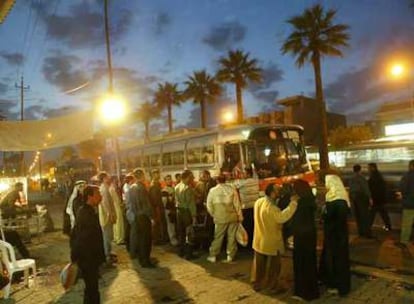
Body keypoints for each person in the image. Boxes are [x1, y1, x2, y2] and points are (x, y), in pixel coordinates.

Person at [251, 183, 298, 293]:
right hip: (271, 240)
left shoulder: (259, 201)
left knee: (259, 265)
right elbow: (282, 218)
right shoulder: (272, 208)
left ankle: (257, 283)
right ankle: (271, 286)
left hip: (259, 239)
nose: (280, 191)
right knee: (274, 266)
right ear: (272, 192)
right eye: (277, 190)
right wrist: (293, 203)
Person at [70, 185, 106, 304]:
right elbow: (82, 239)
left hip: (89, 259)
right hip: (88, 259)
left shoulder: (88, 211)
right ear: (90, 197)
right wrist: (85, 260)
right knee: (92, 289)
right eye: (98, 194)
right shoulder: (85, 213)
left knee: (91, 289)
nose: (101, 196)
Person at [319, 172, 351, 297]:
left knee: (335, 262)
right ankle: (342, 286)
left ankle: (336, 286)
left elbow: (327, 218)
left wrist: (323, 212)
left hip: (333, 237)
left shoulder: (333, 201)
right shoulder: (343, 199)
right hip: (341, 236)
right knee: (342, 261)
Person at [290, 179, 319, 301]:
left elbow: (294, 220)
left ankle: (302, 292)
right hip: (311, 234)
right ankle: (313, 292)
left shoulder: (299, 202)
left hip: (301, 235)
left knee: (301, 263)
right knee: (310, 263)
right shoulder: (310, 200)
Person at [206, 174, 242, 263]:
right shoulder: (232, 189)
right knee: (232, 237)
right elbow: (237, 204)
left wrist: (213, 214)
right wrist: (240, 216)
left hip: (220, 217)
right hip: (232, 216)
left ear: (217, 181)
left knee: (218, 237)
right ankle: (230, 256)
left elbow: (209, 205)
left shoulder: (212, 191)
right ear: (225, 180)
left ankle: (213, 255)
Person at [128, 169, 155, 268]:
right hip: (144, 216)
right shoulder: (141, 188)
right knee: (146, 239)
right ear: (142, 176)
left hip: (136, 216)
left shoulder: (131, 188)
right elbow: (146, 204)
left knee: (140, 238)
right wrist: (151, 217)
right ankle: (145, 261)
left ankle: (141, 258)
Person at [175, 170, 197, 260]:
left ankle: (181, 252)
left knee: (181, 233)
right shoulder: (188, 188)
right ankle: (189, 254)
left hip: (179, 212)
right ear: (187, 177)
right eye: (191, 177)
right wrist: (194, 216)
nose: (193, 179)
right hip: (187, 212)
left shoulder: (177, 186)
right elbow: (191, 204)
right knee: (189, 233)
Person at [235, 168, 259, 248]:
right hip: (255, 207)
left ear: (248, 174)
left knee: (247, 227)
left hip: (246, 208)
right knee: (254, 226)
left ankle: (248, 245)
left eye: (244, 173)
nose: (242, 175)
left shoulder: (242, 183)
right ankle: (255, 244)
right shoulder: (256, 181)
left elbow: (234, 185)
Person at [97, 172, 117, 265]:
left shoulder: (104, 188)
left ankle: (108, 253)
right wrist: (110, 214)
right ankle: (107, 256)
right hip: (106, 217)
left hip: (106, 216)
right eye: (107, 176)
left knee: (108, 235)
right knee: (107, 236)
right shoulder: (104, 189)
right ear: (104, 178)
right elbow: (106, 204)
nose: (109, 178)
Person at [349, 164, 372, 238]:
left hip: (354, 197)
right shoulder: (361, 178)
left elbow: (350, 189)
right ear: (360, 169)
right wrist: (370, 197)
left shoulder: (351, 178)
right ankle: (366, 232)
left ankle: (360, 232)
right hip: (361, 197)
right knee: (364, 215)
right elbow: (365, 188)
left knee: (358, 215)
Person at [368, 163, 392, 231]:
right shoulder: (379, 176)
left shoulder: (373, 177)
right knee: (384, 214)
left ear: (373, 168)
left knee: (371, 215)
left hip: (376, 199)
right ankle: (388, 227)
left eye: (369, 168)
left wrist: (370, 197)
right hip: (381, 199)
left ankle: (368, 228)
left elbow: (371, 188)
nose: (368, 169)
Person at [398, 160, 414, 247]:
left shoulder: (407, 176)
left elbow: (402, 188)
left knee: (406, 224)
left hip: (409, 204)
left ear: (411, 166)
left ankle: (404, 241)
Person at [149, 169, 167, 244]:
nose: (159, 175)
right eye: (157, 174)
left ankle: (159, 238)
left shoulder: (157, 184)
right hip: (157, 208)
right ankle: (157, 239)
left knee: (159, 224)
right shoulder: (154, 185)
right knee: (157, 224)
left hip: (158, 207)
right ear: (153, 175)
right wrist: (159, 207)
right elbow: (155, 199)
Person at [162, 175, 178, 246]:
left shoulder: (174, 188)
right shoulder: (164, 190)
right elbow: (164, 202)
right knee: (170, 225)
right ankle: (173, 240)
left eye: (170, 179)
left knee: (175, 225)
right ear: (165, 181)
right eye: (167, 179)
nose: (169, 180)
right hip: (168, 210)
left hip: (174, 209)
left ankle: (176, 238)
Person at [109, 177, 125, 245]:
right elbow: (116, 199)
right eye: (116, 181)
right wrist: (121, 204)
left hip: (114, 206)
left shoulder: (111, 188)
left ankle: (116, 237)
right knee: (119, 223)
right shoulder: (112, 189)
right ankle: (119, 238)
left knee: (116, 224)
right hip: (116, 206)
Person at [122, 174, 135, 251]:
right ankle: (130, 247)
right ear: (131, 180)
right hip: (130, 210)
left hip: (128, 209)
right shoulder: (128, 188)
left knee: (129, 229)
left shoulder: (126, 187)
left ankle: (129, 246)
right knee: (131, 229)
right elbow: (129, 201)